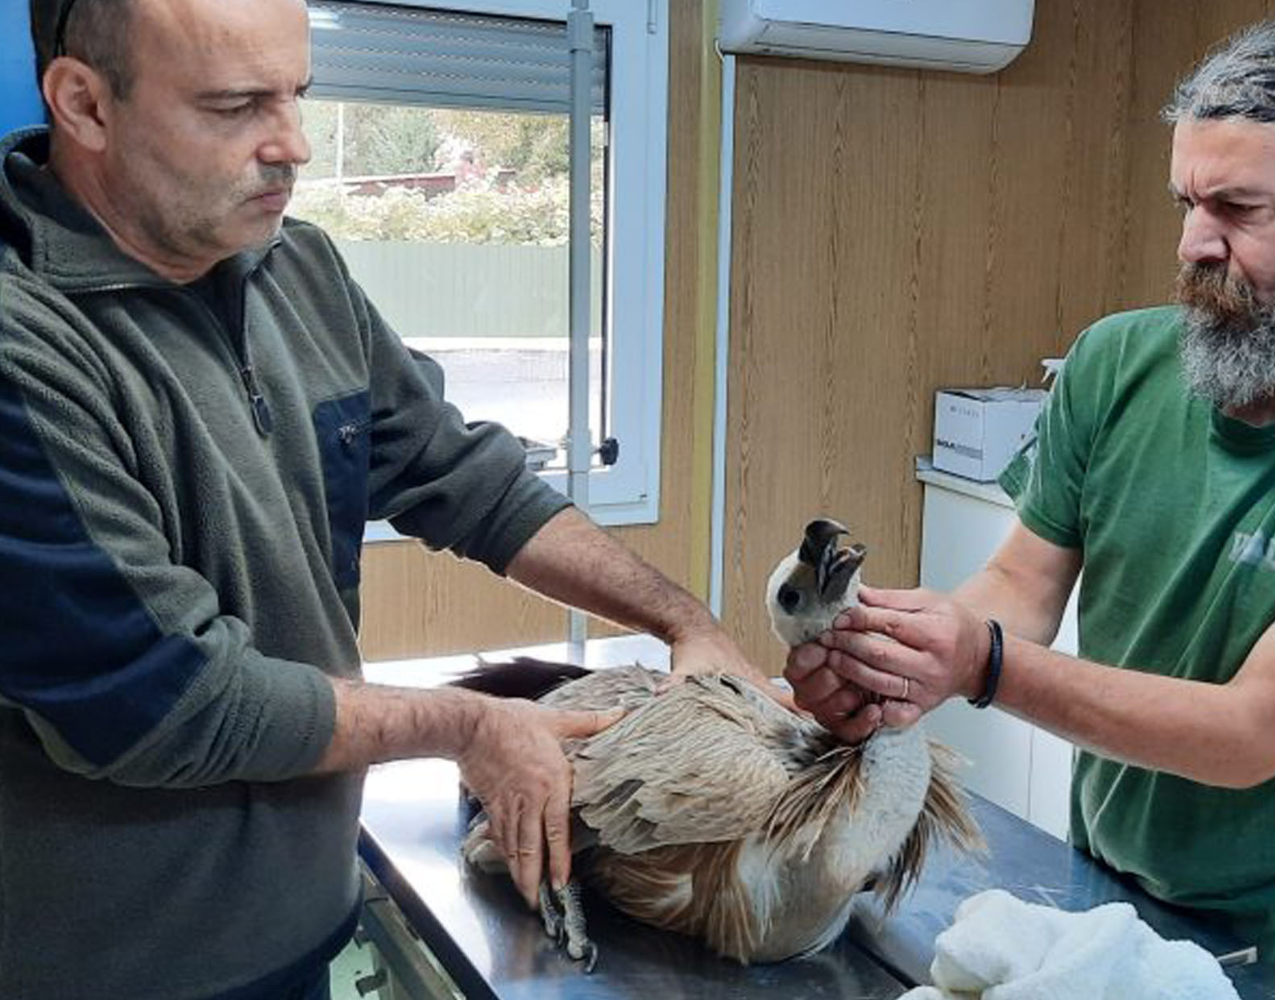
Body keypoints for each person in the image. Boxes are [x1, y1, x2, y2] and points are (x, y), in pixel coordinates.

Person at [0, 0, 764, 997]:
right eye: (236, 106)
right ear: (85, 104)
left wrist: (686, 622)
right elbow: (166, 701)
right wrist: (469, 725)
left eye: (297, 94)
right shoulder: (24, 342)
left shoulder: (297, 269)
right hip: (123, 965)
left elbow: (466, 478)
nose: (294, 145)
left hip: (300, 919)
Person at [786, 19, 1275, 1000]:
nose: (1195, 242)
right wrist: (907, 666)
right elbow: (1021, 584)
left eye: (1239, 208)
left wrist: (980, 662)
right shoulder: (1117, 361)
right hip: (1108, 903)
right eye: (1188, 203)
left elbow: (1249, 733)